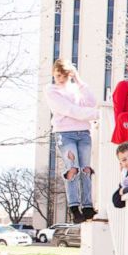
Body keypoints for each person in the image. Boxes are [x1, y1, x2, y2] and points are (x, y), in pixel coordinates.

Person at [44, 59, 98, 224]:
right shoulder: (51, 90)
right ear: (54, 73)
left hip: (83, 132)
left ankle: (88, 206)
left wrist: (79, 80)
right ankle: (74, 207)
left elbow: (91, 102)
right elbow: (69, 110)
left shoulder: (76, 89)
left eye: (65, 76)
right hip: (64, 133)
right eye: (58, 75)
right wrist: (95, 114)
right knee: (72, 169)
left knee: (85, 169)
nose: (61, 79)